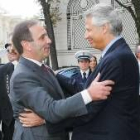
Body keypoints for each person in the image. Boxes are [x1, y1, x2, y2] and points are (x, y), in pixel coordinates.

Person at [19, 4, 140, 140]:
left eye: (88, 30)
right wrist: (56, 75)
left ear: (104, 28)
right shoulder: (117, 54)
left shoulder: (115, 58)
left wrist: (46, 121)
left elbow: (91, 108)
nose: (85, 35)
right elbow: (89, 90)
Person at [9, 20, 114, 140]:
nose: (49, 40)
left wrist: (44, 120)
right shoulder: (22, 76)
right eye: (42, 37)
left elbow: (64, 99)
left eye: (47, 35)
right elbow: (51, 110)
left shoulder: (43, 68)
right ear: (27, 45)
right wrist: (89, 94)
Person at [0, 42, 20, 140]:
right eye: (7, 51)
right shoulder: (2, 70)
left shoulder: (28, 68)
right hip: (8, 120)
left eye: (12, 50)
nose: (9, 53)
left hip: (25, 119)